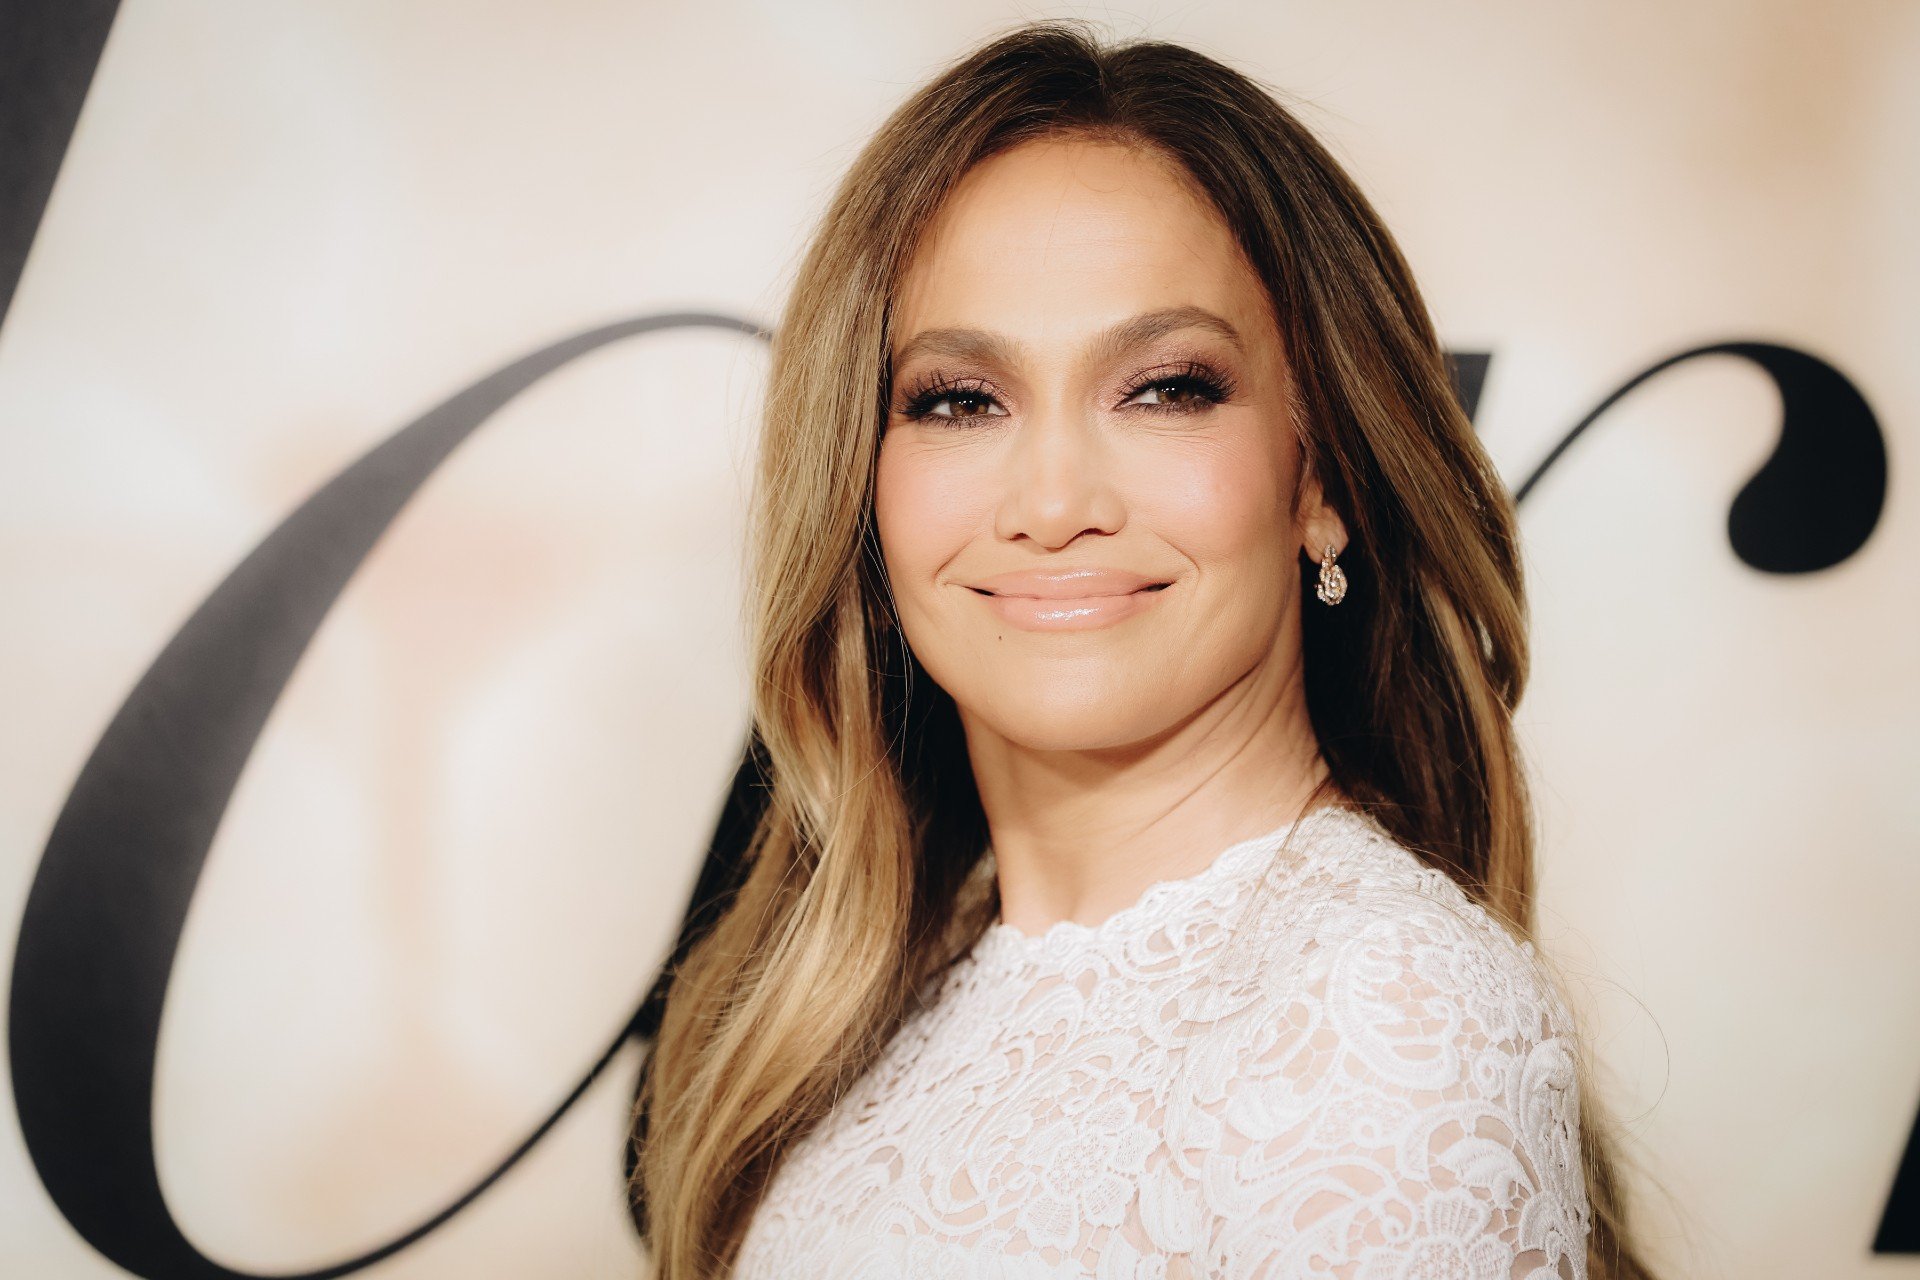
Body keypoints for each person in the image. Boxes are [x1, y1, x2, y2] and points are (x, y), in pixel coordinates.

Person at [632, 18, 1660, 1280]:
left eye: (1167, 386)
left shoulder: (1381, 1018)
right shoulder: (872, 1000)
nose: (1054, 499)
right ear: (864, 481)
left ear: (1320, 472)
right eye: (960, 398)